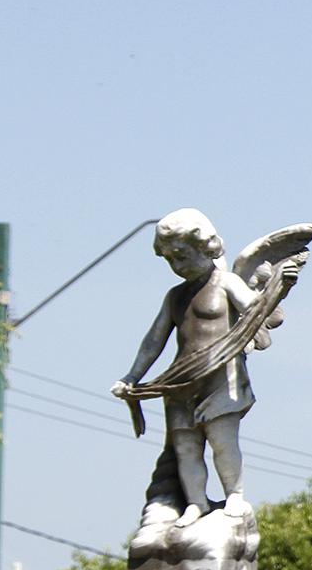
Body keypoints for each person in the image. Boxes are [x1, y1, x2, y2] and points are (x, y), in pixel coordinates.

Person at [111, 210, 289, 528]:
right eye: (170, 260)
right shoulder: (175, 296)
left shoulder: (226, 283)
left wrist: (274, 292)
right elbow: (154, 340)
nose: (177, 267)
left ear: (205, 246)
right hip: (181, 381)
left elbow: (257, 312)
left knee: (222, 442)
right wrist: (131, 377)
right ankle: (196, 502)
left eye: (182, 256)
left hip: (222, 377)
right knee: (186, 448)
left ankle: (234, 494)